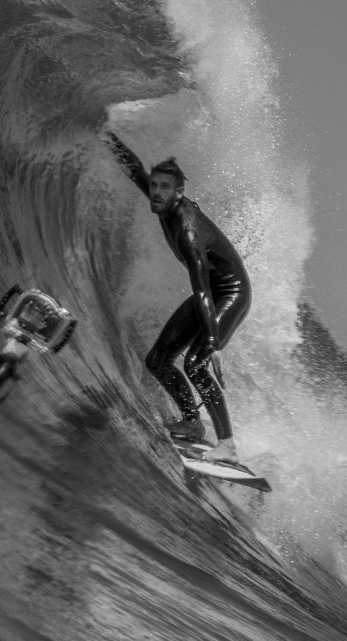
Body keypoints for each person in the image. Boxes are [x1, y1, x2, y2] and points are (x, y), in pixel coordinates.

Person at [104, 131, 251, 464]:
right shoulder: (162, 202)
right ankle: (192, 422)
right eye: (154, 185)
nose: (155, 192)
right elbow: (135, 169)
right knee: (157, 360)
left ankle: (227, 445)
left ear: (179, 192)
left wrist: (214, 343)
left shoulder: (188, 232)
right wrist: (107, 136)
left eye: (164, 187)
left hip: (231, 293)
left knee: (195, 363)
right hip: (211, 293)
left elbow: (202, 289)